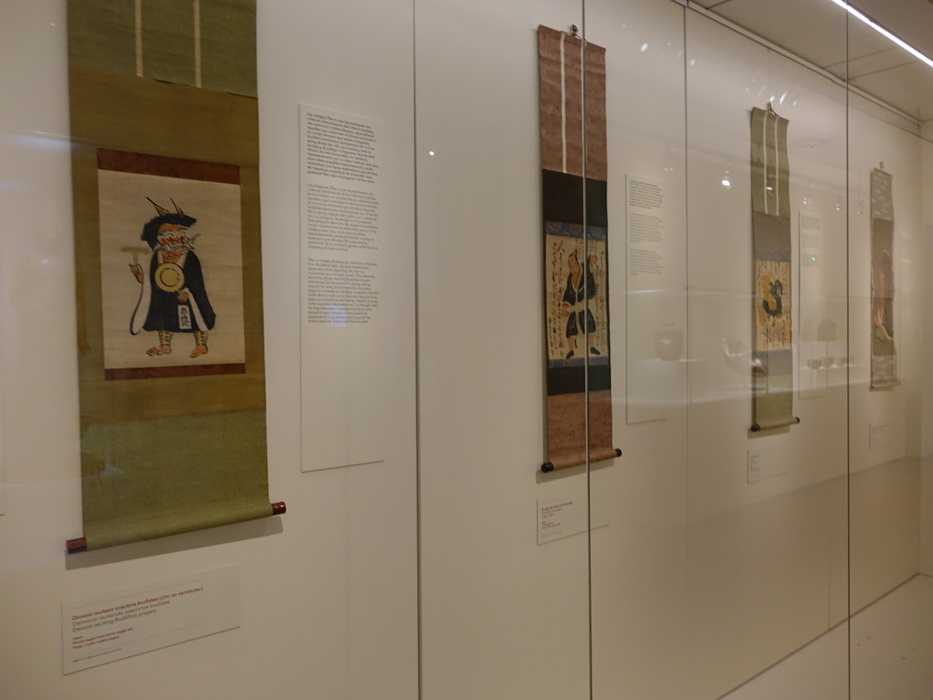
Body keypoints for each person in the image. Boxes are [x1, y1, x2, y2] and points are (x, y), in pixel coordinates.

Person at [129, 198, 216, 358]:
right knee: (162, 318)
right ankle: (164, 346)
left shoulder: (190, 257)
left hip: (186, 294)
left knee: (196, 318)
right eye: (170, 235)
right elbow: (152, 279)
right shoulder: (157, 256)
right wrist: (141, 276)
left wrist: (188, 292)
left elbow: (197, 281)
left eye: (180, 234)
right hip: (163, 294)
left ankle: (201, 345)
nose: (176, 239)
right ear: (161, 238)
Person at [560, 250, 600, 359]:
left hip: (583, 306)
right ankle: (571, 350)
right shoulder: (570, 277)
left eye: (572, 260)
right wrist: (565, 305)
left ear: (577, 261)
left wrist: (592, 259)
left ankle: (592, 347)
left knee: (589, 327)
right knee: (570, 330)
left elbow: (590, 261)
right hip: (574, 307)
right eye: (569, 262)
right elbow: (568, 292)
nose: (570, 264)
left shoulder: (584, 269)